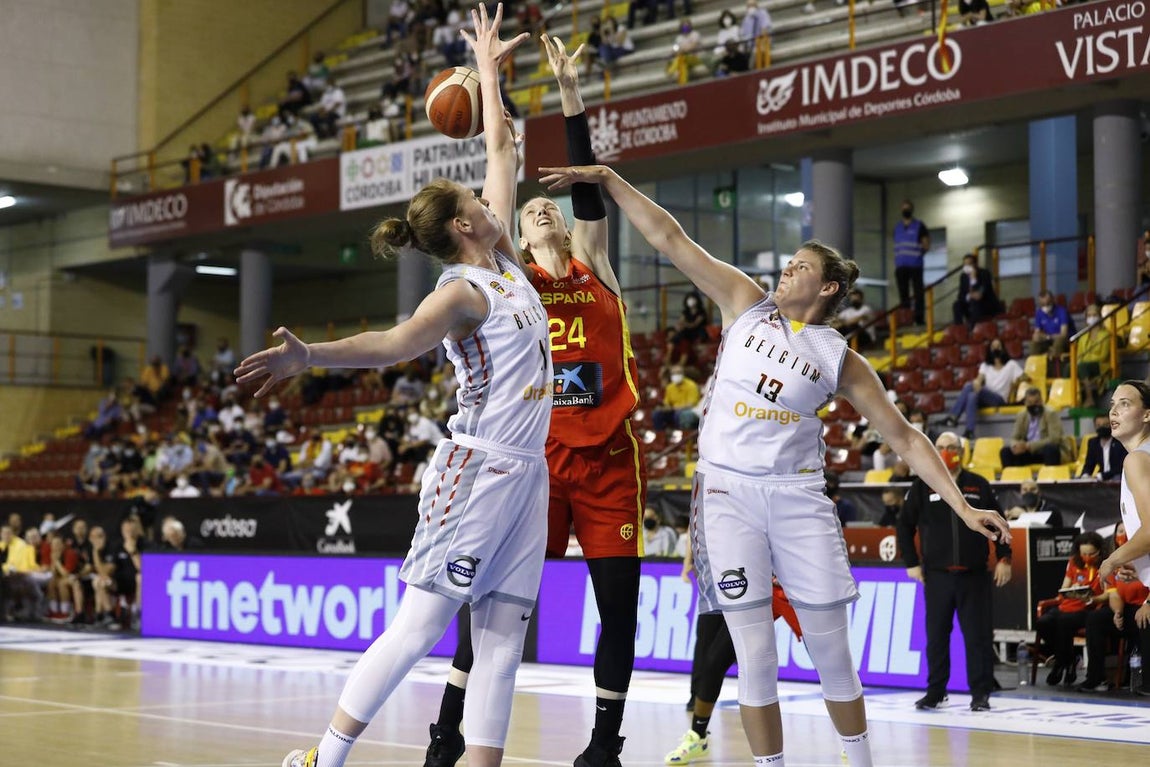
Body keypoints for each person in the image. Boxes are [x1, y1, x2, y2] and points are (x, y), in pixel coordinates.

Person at [537, 163, 1011, 766]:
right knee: (753, 654)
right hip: (727, 497)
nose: (786, 270)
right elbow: (670, 238)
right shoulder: (746, 304)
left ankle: (859, 759)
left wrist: (963, 507)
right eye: (788, 263)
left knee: (831, 653)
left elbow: (907, 439)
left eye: (800, 267)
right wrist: (607, 179)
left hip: (797, 498)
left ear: (829, 289)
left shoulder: (839, 357)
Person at [238, 9, 544, 767]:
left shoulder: (500, 255)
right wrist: (311, 355)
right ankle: (325, 757)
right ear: (466, 226)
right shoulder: (462, 290)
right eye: (476, 202)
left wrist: (490, 69)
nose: (487, 198)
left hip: (527, 474)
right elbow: (395, 342)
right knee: (419, 626)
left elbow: (502, 145)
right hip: (475, 470)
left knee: (504, 636)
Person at [423, 35, 647, 767]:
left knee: (619, 606)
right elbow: (503, 169)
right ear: (515, 237)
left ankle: (604, 745)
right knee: (488, 604)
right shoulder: (518, 281)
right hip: (538, 461)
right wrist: (491, 94)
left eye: (550, 207)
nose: (543, 209)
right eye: (530, 211)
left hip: (610, 458)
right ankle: (446, 732)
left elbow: (586, 190)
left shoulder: (595, 267)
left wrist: (569, 92)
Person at [897, 430, 1012, 711]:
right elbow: (903, 525)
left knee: (978, 637)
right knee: (936, 637)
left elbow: (999, 522)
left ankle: (981, 694)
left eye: (951, 447)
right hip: (937, 576)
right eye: (940, 447)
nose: (947, 451)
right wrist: (912, 562)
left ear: (962, 451)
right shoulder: (923, 485)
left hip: (974, 575)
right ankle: (936, 691)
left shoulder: (978, 485)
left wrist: (1004, 558)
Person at [1086, 381, 1150, 695]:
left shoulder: (1136, 459)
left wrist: (1112, 559)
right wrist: (1139, 563)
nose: (1113, 410)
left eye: (1125, 403)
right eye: (1112, 403)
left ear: (1147, 414)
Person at [1034, 531, 1106, 687]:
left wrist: (1089, 596)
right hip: (1066, 605)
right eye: (1084, 553)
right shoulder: (1074, 561)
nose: (1087, 556)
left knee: (1063, 622)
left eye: (1091, 553)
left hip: (1087, 608)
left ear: (1099, 551)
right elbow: (1063, 587)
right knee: (1043, 623)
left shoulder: (1105, 565)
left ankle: (1060, 664)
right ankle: (1067, 660)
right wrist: (1072, 588)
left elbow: (1107, 592)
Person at [942, 338, 1024, 440]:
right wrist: (977, 382)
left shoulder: (1011, 364)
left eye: (998, 346)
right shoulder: (985, 366)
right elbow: (979, 379)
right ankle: (969, 431)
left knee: (968, 386)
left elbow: (1024, 377)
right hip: (985, 396)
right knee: (972, 395)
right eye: (993, 347)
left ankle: (953, 417)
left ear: (1003, 349)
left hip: (999, 398)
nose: (996, 349)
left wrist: (1016, 383)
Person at [999, 386, 1071, 467]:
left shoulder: (1050, 414)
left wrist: (1029, 446)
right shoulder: (1021, 415)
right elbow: (1014, 438)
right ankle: (1012, 478)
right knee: (1005, 452)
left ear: (1042, 401)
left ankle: (1050, 477)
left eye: (1036, 402)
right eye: (1030, 403)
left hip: (1045, 451)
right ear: (1025, 403)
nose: (1034, 405)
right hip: (1028, 453)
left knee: (1050, 449)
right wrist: (1016, 446)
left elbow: (1054, 439)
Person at [892, 199, 929, 325]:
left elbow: (926, 245)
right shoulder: (897, 227)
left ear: (912, 210)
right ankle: (906, 319)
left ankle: (919, 318)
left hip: (915, 265)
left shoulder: (919, 225)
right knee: (904, 295)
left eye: (907, 208)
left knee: (918, 293)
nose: (905, 210)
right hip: (901, 266)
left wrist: (918, 255)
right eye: (904, 208)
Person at [951, 253, 1001, 328]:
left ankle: (973, 328)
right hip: (970, 304)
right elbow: (961, 295)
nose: (967, 266)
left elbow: (982, 291)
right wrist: (969, 296)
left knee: (975, 302)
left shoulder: (984, 273)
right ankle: (959, 329)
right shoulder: (963, 276)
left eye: (969, 264)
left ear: (975, 264)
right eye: (965, 264)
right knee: (957, 305)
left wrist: (974, 279)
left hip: (985, 304)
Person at [1075, 303, 1110, 408]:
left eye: (1094, 315)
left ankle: (1089, 398)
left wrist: (1086, 359)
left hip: (1100, 366)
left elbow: (1103, 356)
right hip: (1086, 366)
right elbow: (1079, 356)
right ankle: (1075, 399)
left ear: (1099, 316)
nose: (1092, 318)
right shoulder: (1082, 337)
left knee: (1082, 366)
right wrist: (1084, 360)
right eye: (1089, 316)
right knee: (1069, 368)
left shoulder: (1106, 335)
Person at [666, 290, 709, 366]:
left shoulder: (701, 312)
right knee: (678, 333)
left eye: (692, 298)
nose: (691, 301)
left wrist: (685, 324)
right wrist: (680, 325)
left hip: (697, 331)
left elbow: (695, 324)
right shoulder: (685, 312)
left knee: (684, 334)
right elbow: (681, 321)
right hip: (686, 331)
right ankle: (671, 346)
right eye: (689, 298)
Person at [1081, 411, 1128, 481]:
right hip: (1101, 479)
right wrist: (1085, 475)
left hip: (1118, 477)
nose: (1102, 428)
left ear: (1111, 425)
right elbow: (1089, 465)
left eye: (1105, 425)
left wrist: (1102, 476)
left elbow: (1121, 466)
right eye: (1098, 425)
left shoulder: (1120, 441)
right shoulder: (1093, 443)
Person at [1030, 289, 1071, 357]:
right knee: (1033, 344)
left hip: (1064, 341)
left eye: (1048, 303)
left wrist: (1047, 337)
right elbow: (1037, 334)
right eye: (1042, 304)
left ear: (1053, 300)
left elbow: (1063, 334)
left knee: (1059, 341)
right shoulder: (1039, 313)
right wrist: (1040, 337)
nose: (1045, 306)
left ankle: (1053, 363)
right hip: (1049, 340)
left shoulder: (1061, 311)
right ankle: (1036, 365)